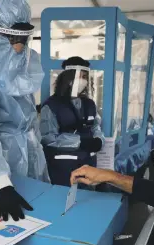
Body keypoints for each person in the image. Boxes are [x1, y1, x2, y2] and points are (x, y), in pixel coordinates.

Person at [0, 0, 49, 222]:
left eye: (23, 39)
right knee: (11, 221)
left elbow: (29, 116)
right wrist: (2, 183)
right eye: (13, 38)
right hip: (3, 160)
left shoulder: (23, 64)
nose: (19, 46)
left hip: (31, 150)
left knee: (38, 210)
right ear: (0, 35)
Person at [40, 56, 105, 186]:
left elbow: (96, 127)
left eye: (85, 77)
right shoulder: (52, 105)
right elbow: (47, 136)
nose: (84, 81)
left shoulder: (89, 104)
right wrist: (79, 142)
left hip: (89, 166)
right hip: (64, 168)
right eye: (80, 76)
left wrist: (99, 140)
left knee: (87, 201)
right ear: (69, 78)